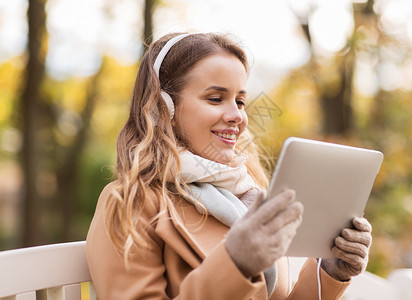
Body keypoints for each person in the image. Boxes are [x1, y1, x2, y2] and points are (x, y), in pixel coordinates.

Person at [85, 32, 372, 299]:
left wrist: (331, 272)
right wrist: (235, 263)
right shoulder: (131, 201)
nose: (237, 116)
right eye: (215, 99)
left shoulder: (249, 194)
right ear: (164, 109)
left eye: (241, 101)